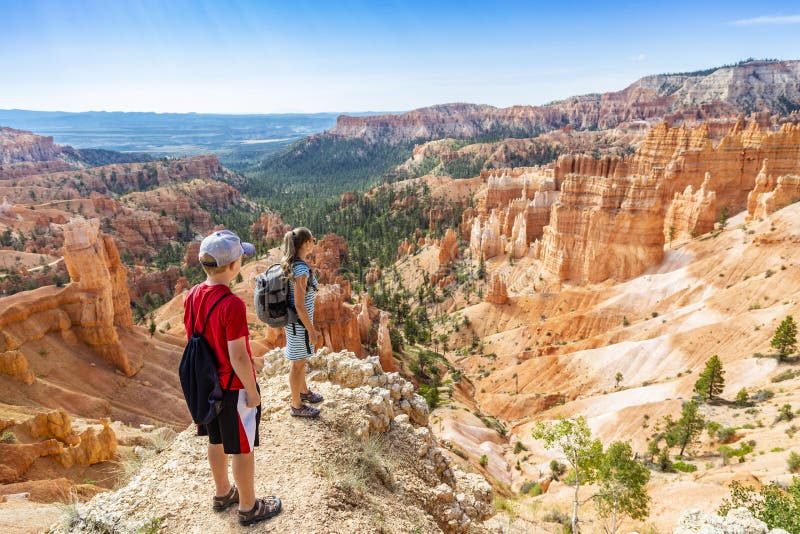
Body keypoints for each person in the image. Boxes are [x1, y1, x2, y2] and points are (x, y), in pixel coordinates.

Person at [183, 230, 281, 526]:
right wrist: (251, 390)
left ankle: (223, 492)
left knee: (214, 440)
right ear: (233, 266)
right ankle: (249, 508)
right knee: (241, 447)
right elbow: (237, 355)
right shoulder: (232, 305)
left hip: (205, 384)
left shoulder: (191, 296)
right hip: (231, 387)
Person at [281, 227, 325, 417]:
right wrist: (312, 331)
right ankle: (297, 406)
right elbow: (299, 305)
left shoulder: (295, 264)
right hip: (299, 325)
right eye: (313, 239)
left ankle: (304, 392)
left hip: (297, 324)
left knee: (301, 359)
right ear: (306, 243)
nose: (314, 243)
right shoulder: (300, 269)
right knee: (297, 364)